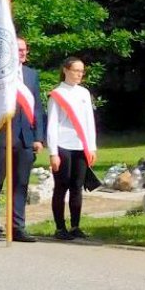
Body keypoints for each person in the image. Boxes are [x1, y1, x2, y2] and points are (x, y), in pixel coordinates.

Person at [0, 38, 43, 246]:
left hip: (25, 138)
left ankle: (17, 226)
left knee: (21, 184)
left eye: (25, 49)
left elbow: (37, 109)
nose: (23, 52)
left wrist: (38, 138)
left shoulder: (31, 75)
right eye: (18, 49)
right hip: (1, 137)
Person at [46, 57, 98, 240]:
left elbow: (89, 121)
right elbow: (52, 124)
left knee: (77, 186)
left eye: (81, 71)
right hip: (63, 145)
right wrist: (53, 152)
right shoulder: (57, 94)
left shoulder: (84, 93)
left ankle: (76, 225)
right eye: (76, 70)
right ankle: (60, 227)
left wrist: (92, 146)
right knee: (62, 186)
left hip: (80, 145)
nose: (79, 74)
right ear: (66, 70)